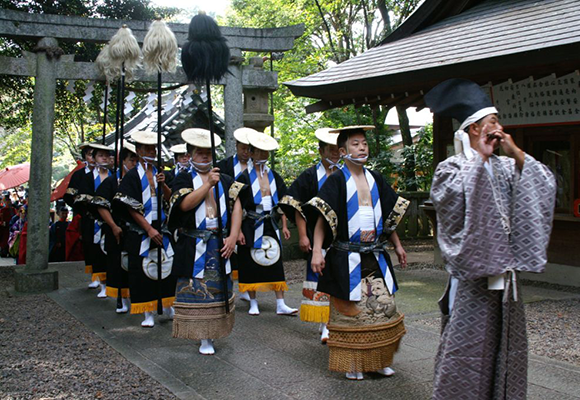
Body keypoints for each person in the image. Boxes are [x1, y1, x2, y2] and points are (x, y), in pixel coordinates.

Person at [424, 79, 557, 400]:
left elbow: (544, 184)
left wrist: (515, 151)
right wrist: (480, 160)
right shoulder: (452, 168)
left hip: (506, 278)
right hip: (474, 279)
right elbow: (451, 204)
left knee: (506, 346)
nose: (498, 130)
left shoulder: (508, 166)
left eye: (498, 123)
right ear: (474, 130)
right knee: (467, 348)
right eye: (492, 123)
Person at [307, 125, 408, 381]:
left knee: (382, 308)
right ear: (342, 151)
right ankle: (352, 362)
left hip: (374, 255)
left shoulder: (376, 178)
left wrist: (397, 245)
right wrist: (317, 250)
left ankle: (380, 359)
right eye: (355, 144)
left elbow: (389, 218)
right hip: (345, 256)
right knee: (351, 313)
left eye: (364, 143)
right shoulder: (336, 180)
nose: (362, 147)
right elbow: (322, 218)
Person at [168, 128, 244, 355]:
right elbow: (183, 205)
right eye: (199, 153)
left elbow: (237, 206)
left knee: (219, 288)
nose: (205, 157)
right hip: (194, 243)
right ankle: (201, 336)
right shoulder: (182, 178)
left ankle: (214, 332)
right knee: (197, 288)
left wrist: (233, 235)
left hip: (219, 240)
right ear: (189, 154)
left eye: (208, 153)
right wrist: (207, 184)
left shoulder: (225, 178)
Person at [279, 128, 341, 344]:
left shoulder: (347, 173)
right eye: (330, 149)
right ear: (320, 150)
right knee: (321, 277)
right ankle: (325, 324)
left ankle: (340, 321)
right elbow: (297, 206)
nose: (335, 154)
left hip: (344, 237)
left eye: (337, 149)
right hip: (318, 236)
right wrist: (303, 236)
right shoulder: (309, 176)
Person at [113, 131, 176, 328]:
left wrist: (163, 184)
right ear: (139, 151)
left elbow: (170, 199)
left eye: (153, 148)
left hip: (161, 225)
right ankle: (146, 311)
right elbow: (130, 208)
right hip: (141, 228)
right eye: (147, 148)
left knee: (166, 267)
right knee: (142, 270)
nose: (151, 152)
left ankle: (167, 304)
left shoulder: (160, 172)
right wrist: (148, 229)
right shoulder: (132, 176)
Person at [236, 130, 297, 316]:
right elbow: (236, 206)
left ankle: (281, 303)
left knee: (275, 261)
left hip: (271, 221)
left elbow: (283, 203)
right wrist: (237, 230)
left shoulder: (274, 176)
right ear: (251, 153)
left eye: (266, 152)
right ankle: (253, 302)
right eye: (259, 152)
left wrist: (285, 225)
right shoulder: (243, 177)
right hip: (251, 223)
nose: (263, 155)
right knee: (250, 262)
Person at [92, 143, 138, 313]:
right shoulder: (112, 180)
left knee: (133, 265)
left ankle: (134, 296)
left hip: (135, 229)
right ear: (123, 161)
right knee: (118, 265)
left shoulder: (139, 180)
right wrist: (112, 225)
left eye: (136, 160)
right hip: (116, 229)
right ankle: (122, 298)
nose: (134, 163)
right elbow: (101, 205)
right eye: (131, 160)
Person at [217, 127, 254, 294]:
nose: (246, 152)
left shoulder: (257, 168)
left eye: (249, 149)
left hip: (252, 216)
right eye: (243, 148)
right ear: (236, 146)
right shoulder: (223, 166)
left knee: (248, 252)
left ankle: (247, 289)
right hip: (230, 214)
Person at [76, 143, 113, 298]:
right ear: (94, 158)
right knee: (96, 251)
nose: (104, 158)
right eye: (100, 155)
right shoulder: (87, 177)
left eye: (106, 155)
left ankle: (112, 283)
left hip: (112, 219)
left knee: (111, 252)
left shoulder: (115, 175)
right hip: (94, 220)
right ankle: (102, 283)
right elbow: (83, 198)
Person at [64, 143, 94, 285]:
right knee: (88, 243)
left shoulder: (108, 173)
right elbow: (69, 196)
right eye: (90, 154)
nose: (93, 158)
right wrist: (80, 206)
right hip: (86, 215)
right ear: (85, 157)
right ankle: (94, 273)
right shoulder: (79, 175)